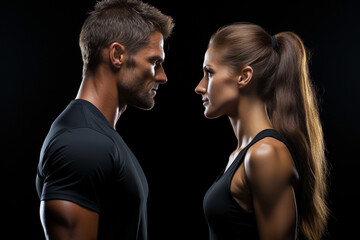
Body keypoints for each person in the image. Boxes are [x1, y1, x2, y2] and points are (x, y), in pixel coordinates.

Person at [35, 0, 174, 239]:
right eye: (154, 62)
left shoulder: (95, 137)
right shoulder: (82, 143)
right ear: (117, 55)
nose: (163, 77)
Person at [195, 22, 329, 240]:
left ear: (244, 76)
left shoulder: (266, 153)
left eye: (209, 73)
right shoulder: (242, 155)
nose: (200, 87)